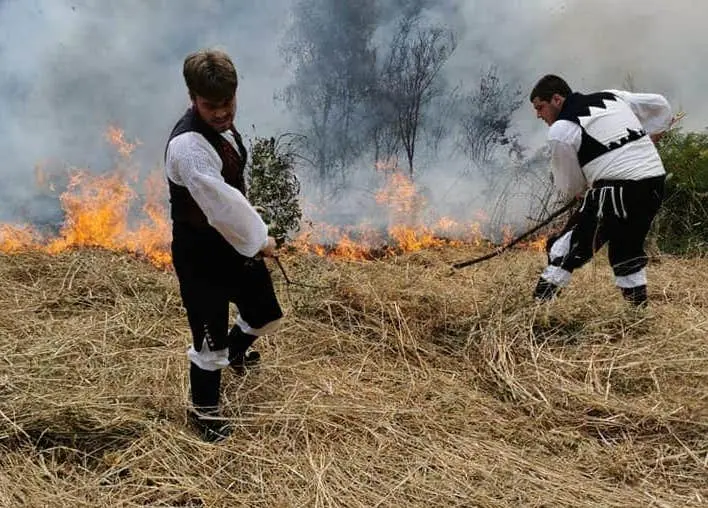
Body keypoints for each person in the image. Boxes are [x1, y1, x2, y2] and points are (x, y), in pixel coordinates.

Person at [164, 49, 283, 442]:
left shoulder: (226, 131)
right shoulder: (188, 148)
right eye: (210, 105)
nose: (221, 112)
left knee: (265, 312)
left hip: (233, 246)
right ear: (192, 97)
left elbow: (233, 192)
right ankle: (205, 415)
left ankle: (236, 353)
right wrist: (261, 238)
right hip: (201, 255)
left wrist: (250, 235)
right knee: (208, 340)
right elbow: (221, 206)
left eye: (228, 102)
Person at [529, 74, 674, 306]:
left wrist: (581, 191)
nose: (539, 115)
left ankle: (537, 309)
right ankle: (638, 314)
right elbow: (660, 104)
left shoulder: (562, 129)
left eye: (540, 107)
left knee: (567, 246)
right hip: (654, 182)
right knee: (627, 250)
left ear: (556, 99)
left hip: (616, 190)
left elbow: (570, 185)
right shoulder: (613, 97)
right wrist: (653, 133)